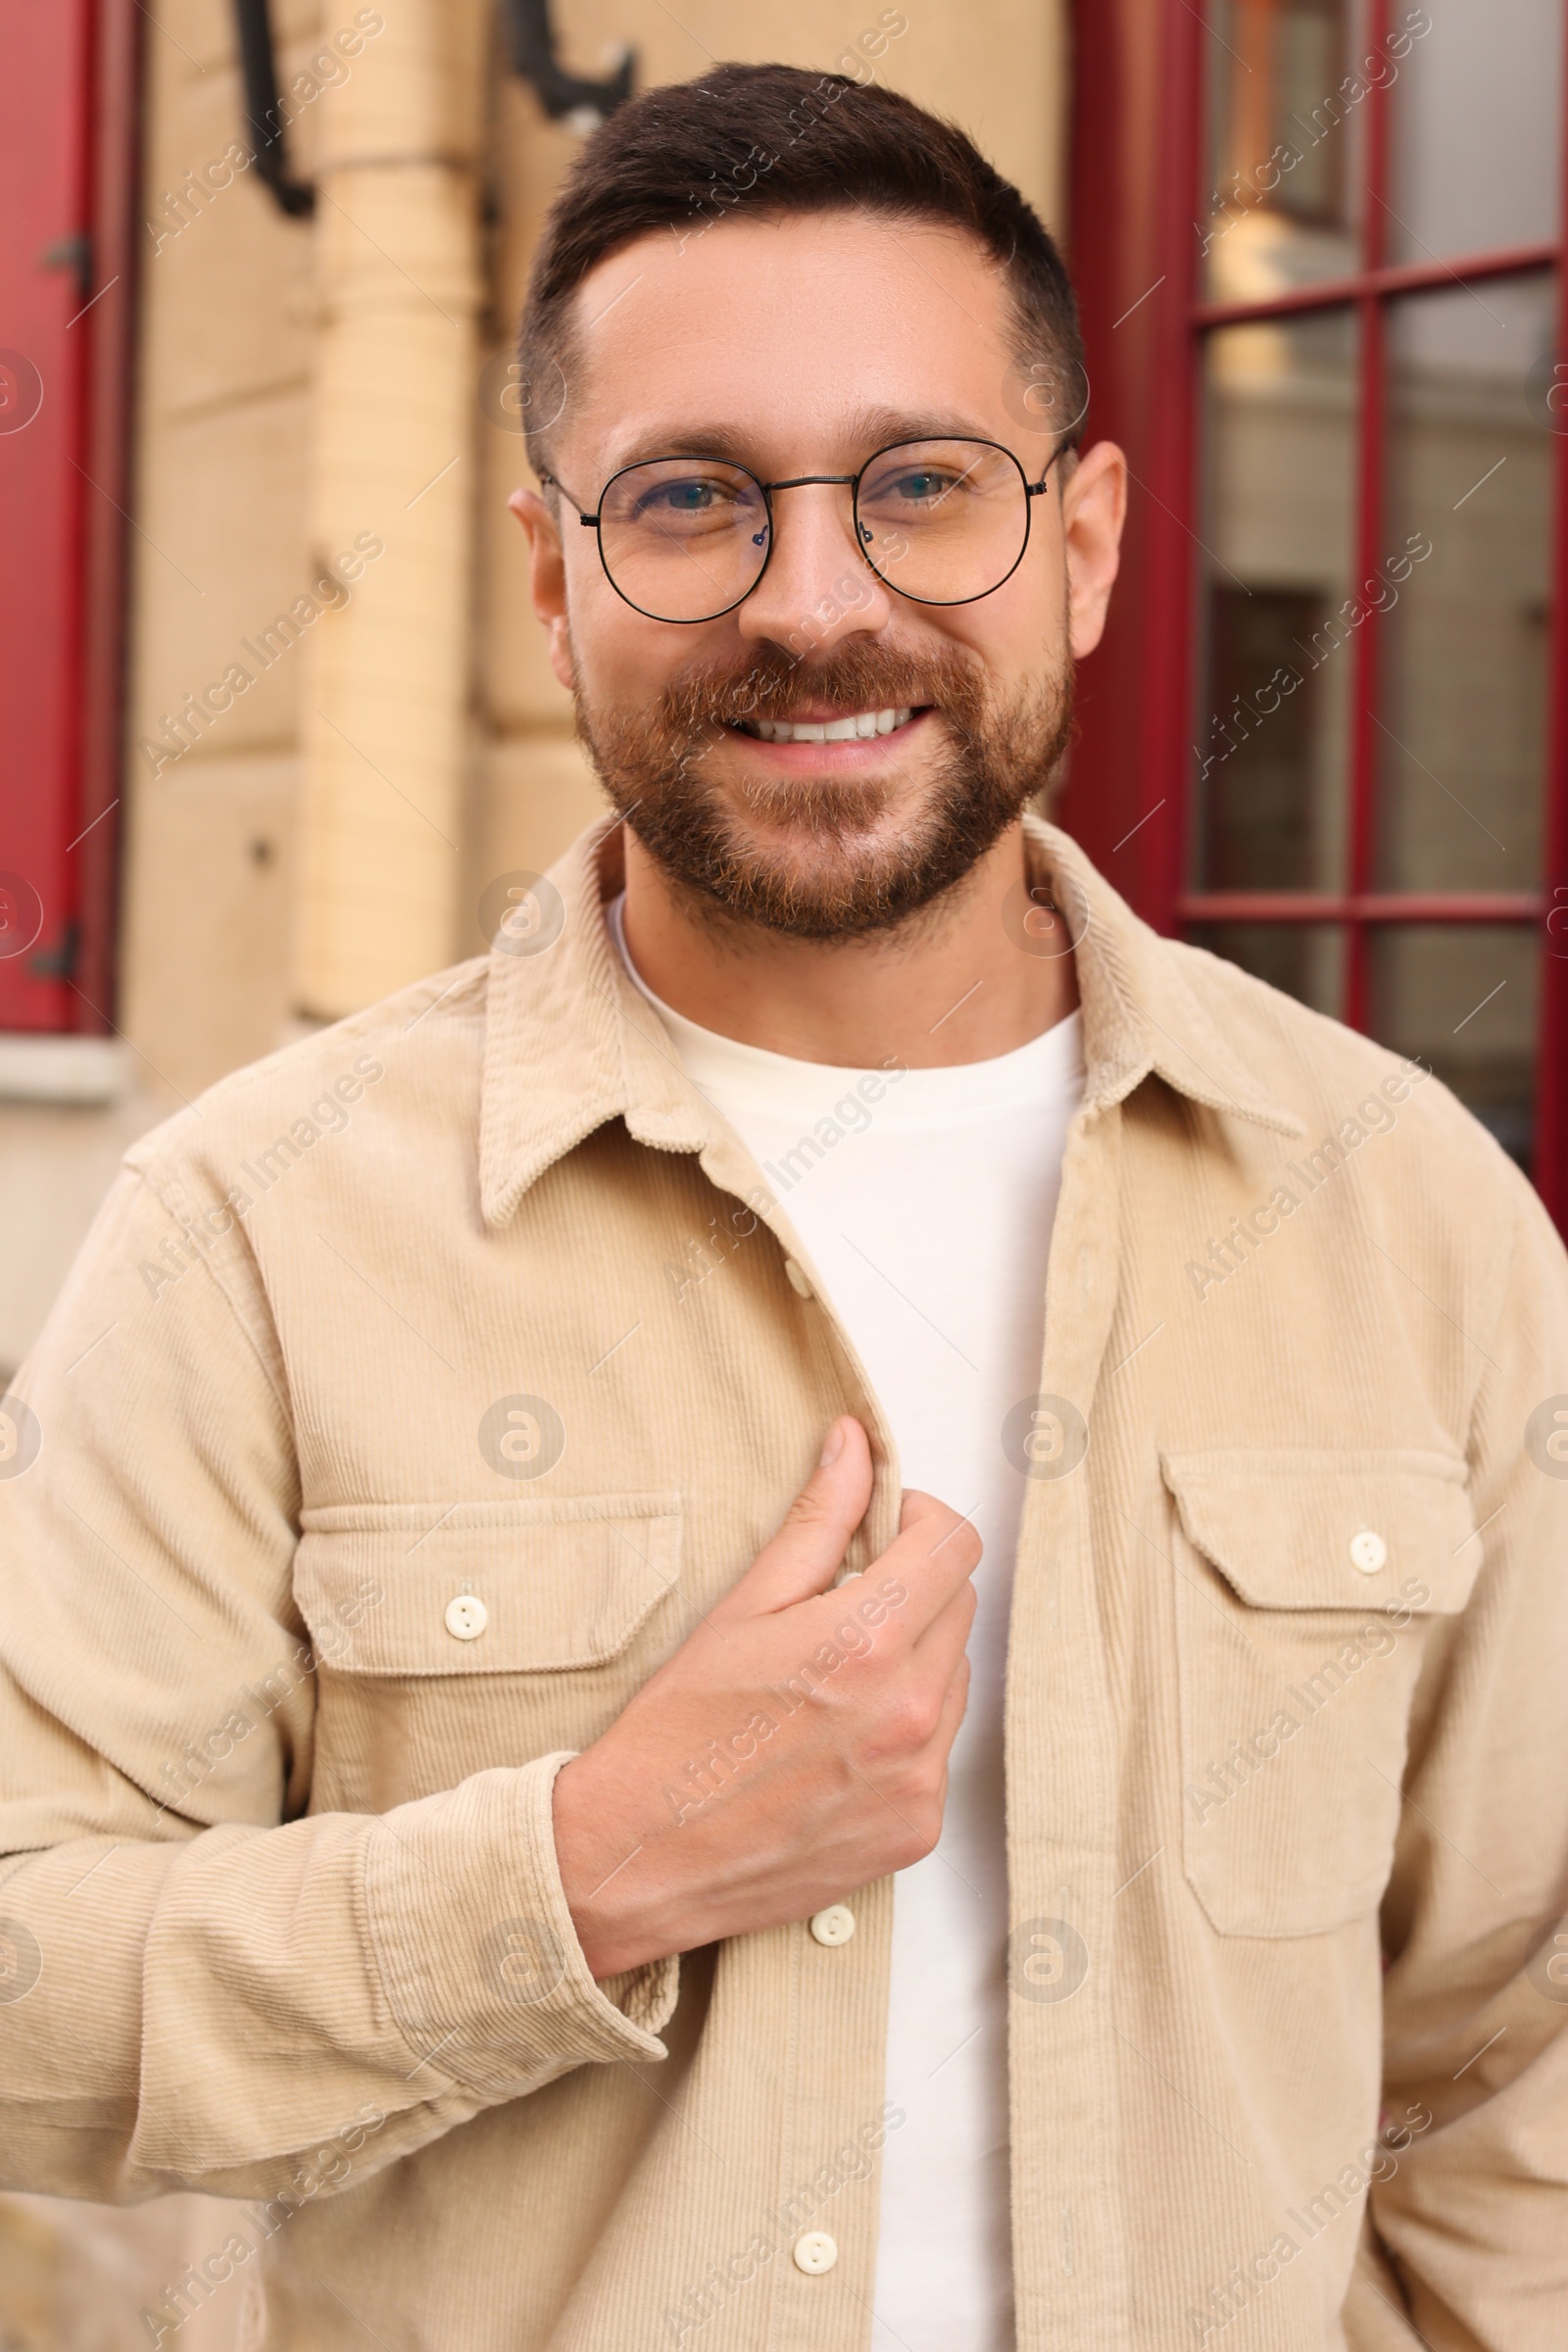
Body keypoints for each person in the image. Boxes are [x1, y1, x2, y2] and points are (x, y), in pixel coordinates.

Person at [1, 60, 1564, 2352]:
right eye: (690, 499)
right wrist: (578, 1874)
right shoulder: (253, 1230)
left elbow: (1514, 2043)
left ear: (1093, 537)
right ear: (552, 579)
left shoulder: (1399, 1214)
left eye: (923, 485)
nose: (812, 603)